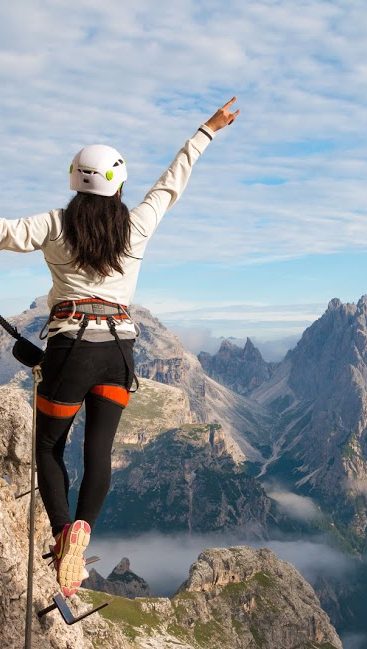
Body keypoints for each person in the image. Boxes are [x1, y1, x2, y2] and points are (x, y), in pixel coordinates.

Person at [0, 97, 240, 597]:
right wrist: (207, 131)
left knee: (49, 446)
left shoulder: (53, 224)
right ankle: (83, 532)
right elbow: (170, 186)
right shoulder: (135, 225)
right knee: (99, 451)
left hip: (70, 349)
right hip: (119, 352)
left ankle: (63, 533)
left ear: (74, 180)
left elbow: (4, 233)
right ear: (119, 185)